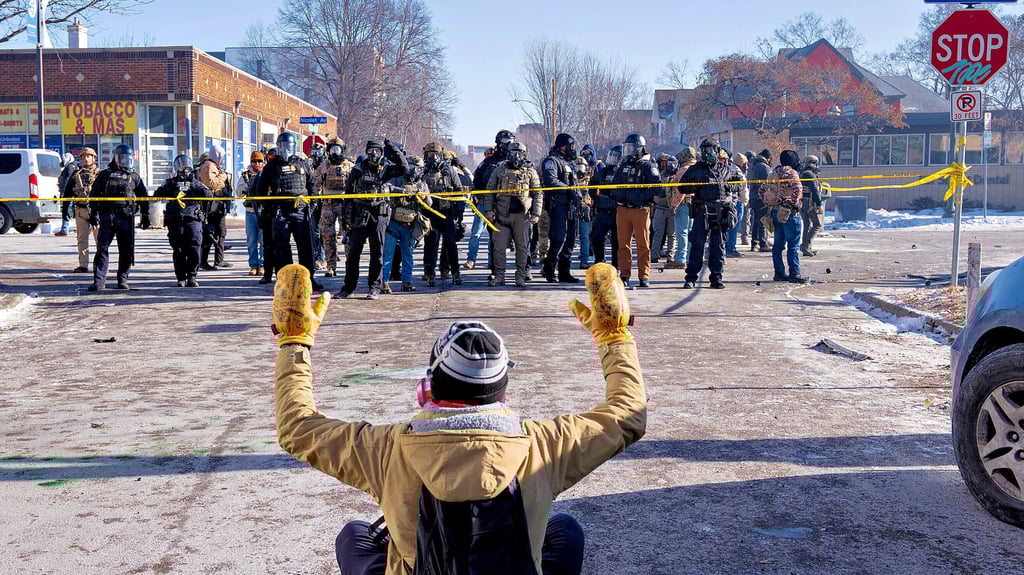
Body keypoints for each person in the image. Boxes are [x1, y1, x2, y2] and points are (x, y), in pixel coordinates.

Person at [270, 261, 645, 575]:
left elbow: (296, 427)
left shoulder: (385, 448)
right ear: (502, 392)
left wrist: (294, 344)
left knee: (355, 534)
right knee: (564, 529)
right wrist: (614, 338)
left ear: (428, 388)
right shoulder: (544, 444)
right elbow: (628, 414)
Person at [338, 139, 408, 300]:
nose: (373, 154)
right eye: (370, 151)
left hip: (379, 214)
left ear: (381, 152)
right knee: (353, 254)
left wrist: (391, 147)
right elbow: (348, 195)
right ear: (366, 152)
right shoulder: (357, 169)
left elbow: (404, 167)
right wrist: (345, 222)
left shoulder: (386, 169)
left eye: (377, 150)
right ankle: (348, 288)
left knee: (377, 254)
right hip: (359, 214)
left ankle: (374, 287)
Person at [258, 132, 322, 291]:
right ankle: (284, 282)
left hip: (301, 211)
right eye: (282, 146)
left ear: (294, 147)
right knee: (281, 248)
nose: (285, 149)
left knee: (305, 247)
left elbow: (312, 185)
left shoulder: (303, 164)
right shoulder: (271, 166)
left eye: (288, 146)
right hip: (281, 212)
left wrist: (312, 205)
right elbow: (261, 190)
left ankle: (309, 280)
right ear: (278, 147)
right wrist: (266, 210)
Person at [680, 138, 744, 290]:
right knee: (697, 245)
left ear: (716, 151)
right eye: (703, 151)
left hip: (721, 211)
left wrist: (729, 187)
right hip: (703, 210)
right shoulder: (695, 169)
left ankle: (716, 277)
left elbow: (741, 182)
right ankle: (690, 278)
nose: (706, 154)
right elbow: (682, 187)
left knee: (718, 246)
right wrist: (696, 185)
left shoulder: (727, 168)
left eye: (709, 150)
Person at [87, 144, 149, 291]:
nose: (126, 161)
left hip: (126, 215)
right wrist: (93, 213)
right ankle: (99, 281)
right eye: (123, 158)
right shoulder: (105, 174)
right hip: (107, 216)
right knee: (102, 248)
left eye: (129, 159)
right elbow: (94, 195)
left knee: (126, 250)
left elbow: (144, 196)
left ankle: (122, 279)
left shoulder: (134, 176)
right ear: (116, 158)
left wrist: (146, 215)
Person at [483, 142, 543, 288]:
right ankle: (499, 275)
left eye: (519, 153)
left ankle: (521, 275)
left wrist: (536, 213)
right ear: (508, 154)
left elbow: (537, 193)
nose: (516, 156)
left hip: (522, 216)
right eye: (513, 153)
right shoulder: (499, 170)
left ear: (525, 154)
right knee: (499, 247)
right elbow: (489, 191)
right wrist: (489, 211)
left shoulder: (530, 171)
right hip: (502, 215)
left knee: (522, 247)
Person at [611, 133, 662, 288]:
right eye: (626, 148)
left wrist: (640, 197)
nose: (628, 151)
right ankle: (624, 275)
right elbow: (614, 185)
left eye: (631, 148)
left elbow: (658, 188)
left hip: (640, 210)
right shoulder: (624, 165)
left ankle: (644, 275)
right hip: (623, 209)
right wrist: (619, 197)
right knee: (623, 244)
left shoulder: (648, 166)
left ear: (639, 148)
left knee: (643, 244)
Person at [380, 155, 430, 294]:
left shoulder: (422, 184)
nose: (414, 170)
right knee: (388, 255)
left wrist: (423, 197)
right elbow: (386, 188)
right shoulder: (398, 179)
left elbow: (429, 205)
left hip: (409, 225)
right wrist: (401, 191)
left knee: (408, 255)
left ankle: (407, 282)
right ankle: (384, 282)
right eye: (411, 166)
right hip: (393, 223)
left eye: (417, 168)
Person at [160, 155, 212, 287]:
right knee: (178, 249)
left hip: (192, 219)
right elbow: (158, 194)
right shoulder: (170, 183)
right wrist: (170, 187)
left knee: (195, 247)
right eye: (181, 166)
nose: (184, 169)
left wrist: (193, 184)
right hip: (175, 219)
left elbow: (208, 195)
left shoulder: (195, 183)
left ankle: (192, 276)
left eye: (186, 166)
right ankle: (181, 277)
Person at [420, 142, 465, 286]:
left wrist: (459, 211)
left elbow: (459, 190)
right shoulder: (422, 172)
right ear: (426, 156)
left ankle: (455, 272)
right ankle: (429, 272)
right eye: (431, 154)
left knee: (450, 243)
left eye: (436, 154)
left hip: (447, 212)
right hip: (429, 213)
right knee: (430, 244)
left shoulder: (450, 171)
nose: (434, 157)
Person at [539, 133, 582, 284]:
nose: (573, 149)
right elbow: (551, 181)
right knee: (558, 239)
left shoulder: (569, 163)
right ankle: (549, 270)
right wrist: (569, 189)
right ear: (563, 146)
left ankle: (564, 272)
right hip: (558, 205)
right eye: (570, 146)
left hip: (571, 206)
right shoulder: (551, 161)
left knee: (570, 239)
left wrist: (580, 198)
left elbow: (575, 183)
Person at [474, 131, 516, 278]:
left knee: (521, 238)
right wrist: (481, 198)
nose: (508, 143)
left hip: (514, 205)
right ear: (499, 142)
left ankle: (524, 269)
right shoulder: (488, 162)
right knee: (494, 237)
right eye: (505, 140)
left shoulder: (518, 161)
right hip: (493, 204)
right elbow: (477, 180)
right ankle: (495, 269)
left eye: (511, 140)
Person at [316, 137, 355, 278]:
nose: (335, 152)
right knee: (328, 236)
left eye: (337, 149)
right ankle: (330, 266)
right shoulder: (323, 166)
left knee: (348, 236)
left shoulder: (350, 166)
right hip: (328, 204)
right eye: (332, 149)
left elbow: (356, 185)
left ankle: (350, 266)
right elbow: (315, 185)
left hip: (345, 205)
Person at [769, 150, 809, 283]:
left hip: (775, 211)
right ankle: (795, 274)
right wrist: (791, 203)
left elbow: (762, 190)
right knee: (793, 245)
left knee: (778, 246)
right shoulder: (792, 173)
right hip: (789, 213)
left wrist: (773, 202)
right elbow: (797, 190)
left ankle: (779, 273)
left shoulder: (773, 173)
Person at [61, 147, 98, 273]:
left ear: (94, 158)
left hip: (96, 211)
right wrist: (65, 208)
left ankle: (101, 265)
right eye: (83, 156)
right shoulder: (76, 174)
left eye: (88, 156)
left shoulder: (100, 174)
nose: (85, 159)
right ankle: (83, 264)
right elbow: (67, 192)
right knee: (82, 239)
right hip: (80, 210)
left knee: (100, 240)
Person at [197, 145, 234, 271]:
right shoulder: (208, 166)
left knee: (219, 233)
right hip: (211, 207)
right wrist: (223, 176)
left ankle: (218, 259)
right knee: (212, 234)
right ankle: (206, 261)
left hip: (217, 206)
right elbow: (210, 184)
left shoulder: (214, 166)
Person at [462, 147, 495, 271]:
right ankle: (471, 259)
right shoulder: (482, 167)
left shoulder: (502, 165)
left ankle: (492, 261)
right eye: (488, 155)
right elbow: (474, 183)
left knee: (494, 234)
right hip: (482, 203)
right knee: (476, 233)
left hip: (496, 204)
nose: (489, 157)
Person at [589, 145, 620, 270]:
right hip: (602, 211)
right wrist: (596, 197)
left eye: (615, 157)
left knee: (616, 241)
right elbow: (592, 184)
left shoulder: (622, 172)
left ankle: (616, 266)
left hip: (617, 211)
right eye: (611, 156)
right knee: (596, 237)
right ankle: (599, 262)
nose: (612, 159)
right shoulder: (603, 171)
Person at [665, 146, 696, 270]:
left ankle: (680, 259)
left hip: (683, 204)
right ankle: (689, 257)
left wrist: (673, 205)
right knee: (690, 232)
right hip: (694, 204)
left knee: (681, 232)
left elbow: (680, 191)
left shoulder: (683, 170)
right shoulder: (697, 169)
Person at [238, 151, 266, 276]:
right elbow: (238, 192)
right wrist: (247, 189)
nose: (257, 164)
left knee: (263, 240)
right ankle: (253, 265)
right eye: (254, 161)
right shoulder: (245, 175)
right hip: (250, 211)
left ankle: (263, 265)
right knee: (252, 241)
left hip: (263, 211)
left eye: (259, 161)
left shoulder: (267, 173)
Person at [650, 153, 679, 264]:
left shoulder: (677, 177)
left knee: (672, 234)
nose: (671, 166)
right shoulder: (660, 176)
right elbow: (655, 191)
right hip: (660, 207)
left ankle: (670, 255)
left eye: (673, 164)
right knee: (658, 232)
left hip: (673, 208)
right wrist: (656, 200)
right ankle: (654, 255)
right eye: (669, 163)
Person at [747, 149, 773, 253]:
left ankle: (755, 243)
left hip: (753, 197)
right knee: (763, 220)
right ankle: (763, 243)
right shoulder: (763, 167)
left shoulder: (753, 165)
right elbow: (770, 181)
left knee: (756, 221)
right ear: (767, 158)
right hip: (761, 197)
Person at [725, 151, 749, 258]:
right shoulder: (738, 173)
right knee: (734, 225)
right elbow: (743, 190)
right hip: (737, 202)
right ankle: (731, 248)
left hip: (728, 201)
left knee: (728, 225)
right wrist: (745, 201)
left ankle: (727, 247)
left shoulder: (728, 168)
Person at [799, 154, 824, 258]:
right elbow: (814, 190)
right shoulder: (810, 175)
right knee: (817, 224)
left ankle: (807, 248)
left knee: (806, 225)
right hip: (809, 202)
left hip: (801, 203)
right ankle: (805, 245)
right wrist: (819, 204)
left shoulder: (801, 174)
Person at [574, 156, 594, 270]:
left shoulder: (590, 180)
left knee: (584, 236)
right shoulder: (570, 178)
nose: (580, 169)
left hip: (585, 209)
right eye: (578, 166)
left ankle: (584, 260)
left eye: (582, 166)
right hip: (572, 208)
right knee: (568, 237)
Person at [55, 152, 78, 236]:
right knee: (72, 210)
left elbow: (66, 181)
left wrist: (63, 192)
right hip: (71, 192)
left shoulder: (70, 168)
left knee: (66, 210)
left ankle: (64, 229)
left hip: (68, 192)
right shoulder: (73, 166)